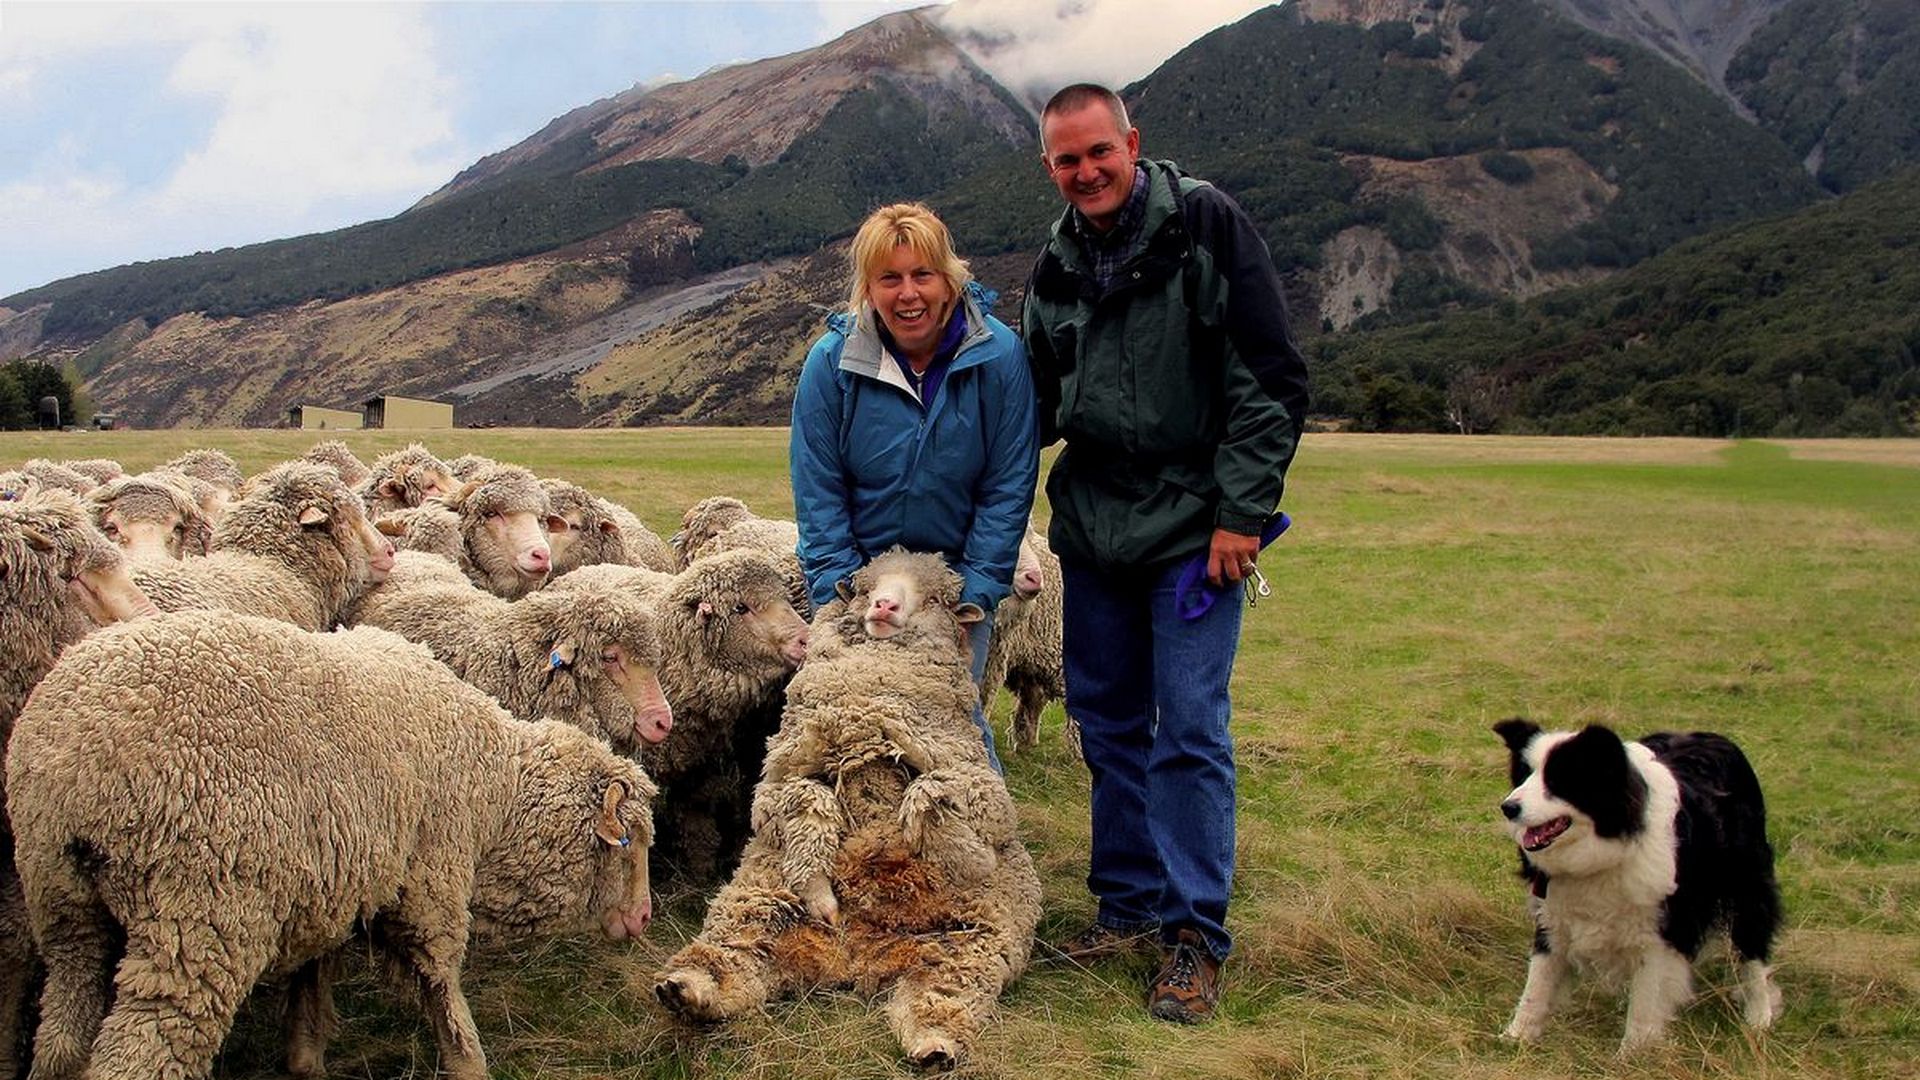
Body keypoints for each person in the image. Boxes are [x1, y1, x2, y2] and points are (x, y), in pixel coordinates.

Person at [1020, 84, 1310, 1023]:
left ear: (1131, 144)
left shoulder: (1206, 227)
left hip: (1196, 533)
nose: (1087, 172)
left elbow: (1271, 377)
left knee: (1188, 728)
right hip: (1094, 533)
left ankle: (1192, 936)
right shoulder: (1056, 266)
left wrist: (1242, 512)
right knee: (1105, 725)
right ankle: (1128, 905)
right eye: (1068, 160)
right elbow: (1027, 404)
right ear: (1051, 169)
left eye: (1099, 152)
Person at [790, 202, 1039, 772]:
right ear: (868, 289)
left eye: (922, 275)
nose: (909, 294)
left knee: (951, 724)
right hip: (860, 586)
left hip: (954, 589)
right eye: (890, 278)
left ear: (950, 279)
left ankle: (984, 850)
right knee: (851, 726)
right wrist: (838, 591)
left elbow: (1008, 484)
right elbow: (818, 486)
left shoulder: (997, 358)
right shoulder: (834, 365)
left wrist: (973, 592)